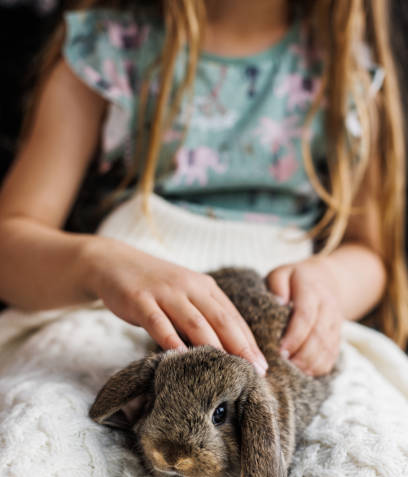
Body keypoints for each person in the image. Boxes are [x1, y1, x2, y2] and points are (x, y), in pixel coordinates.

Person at [0, 0, 406, 379]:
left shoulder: (347, 66)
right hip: (107, 311)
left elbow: (370, 252)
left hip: (284, 335)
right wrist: (99, 266)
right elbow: (10, 246)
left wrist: (330, 286)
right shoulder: (108, 44)